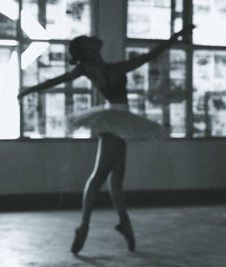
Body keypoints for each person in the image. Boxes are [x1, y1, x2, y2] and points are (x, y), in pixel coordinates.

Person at [18, 25, 195, 255]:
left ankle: (123, 222)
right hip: (113, 121)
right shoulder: (92, 68)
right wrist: (28, 90)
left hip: (118, 120)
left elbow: (149, 56)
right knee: (100, 174)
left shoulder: (102, 68)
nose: (95, 38)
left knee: (116, 176)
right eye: (89, 40)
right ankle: (84, 226)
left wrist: (175, 37)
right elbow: (59, 80)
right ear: (88, 50)